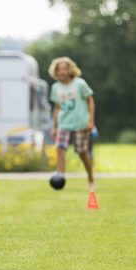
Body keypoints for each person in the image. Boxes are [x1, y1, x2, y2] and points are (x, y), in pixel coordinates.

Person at [48, 57, 96, 191]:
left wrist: (91, 120)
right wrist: (54, 126)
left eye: (64, 69)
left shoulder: (80, 84)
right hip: (63, 124)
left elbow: (90, 101)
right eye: (59, 69)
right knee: (60, 150)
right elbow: (57, 107)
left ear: (69, 70)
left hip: (80, 124)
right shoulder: (55, 87)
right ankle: (60, 178)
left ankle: (91, 178)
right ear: (55, 72)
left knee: (82, 153)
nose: (62, 72)